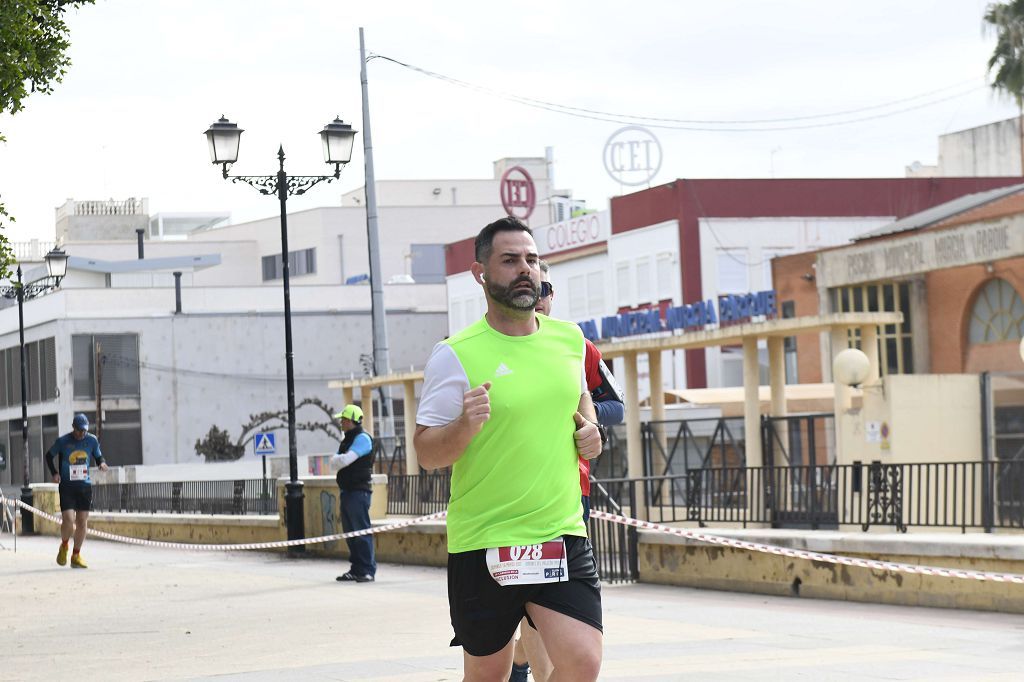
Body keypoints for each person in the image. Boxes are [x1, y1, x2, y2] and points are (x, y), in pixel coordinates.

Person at [415, 216, 605, 681]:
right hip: (486, 541)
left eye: (532, 259)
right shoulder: (455, 354)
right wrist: (464, 425)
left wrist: (592, 429)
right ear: (480, 273)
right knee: (488, 675)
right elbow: (426, 452)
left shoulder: (569, 340)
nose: (526, 269)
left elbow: (580, 397)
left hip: (558, 531)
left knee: (583, 660)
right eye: (510, 260)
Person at [511, 260, 626, 682]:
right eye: (530, 291)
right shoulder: (492, 345)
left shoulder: (576, 344)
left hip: (570, 491)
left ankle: (522, 661)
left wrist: (586, 420)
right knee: (528, 593)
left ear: (552, 297)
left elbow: (616, 404)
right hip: (512, 495)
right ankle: (525, 663)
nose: (538, 299)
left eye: (544, 290)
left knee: (550, 596)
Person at [45, 413, 108, 569]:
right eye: (79, 430)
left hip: (84, 486)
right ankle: (64, 545)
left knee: (81, 521)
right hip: (67, 485)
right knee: (68, 518)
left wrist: (102, 464)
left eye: (84, 430)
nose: (82, 433)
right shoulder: (63, 441)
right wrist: (54, 473)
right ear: (73, 428)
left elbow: (98, 456)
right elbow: (49, 455)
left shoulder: (91, 440)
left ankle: (76, 555)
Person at [331, 404, 377, 583]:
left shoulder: (362, 438)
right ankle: (356, 569)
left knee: (361, 532)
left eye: (343, 419)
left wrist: (339, 460)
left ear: (351, 420)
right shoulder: (348, 440)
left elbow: (344, 460)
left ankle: (367, 570)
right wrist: (339, 460)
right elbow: (335, 462)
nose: (341, 422)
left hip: (359, 492)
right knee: (350, 533)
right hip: (348, 492)